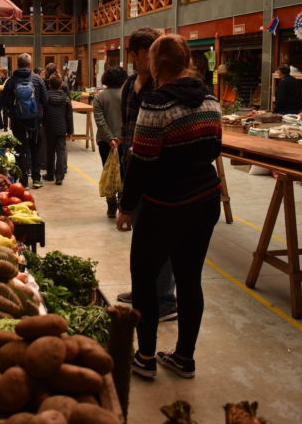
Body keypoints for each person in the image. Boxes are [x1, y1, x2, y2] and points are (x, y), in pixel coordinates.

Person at [116, 34, 222, 381]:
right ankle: (184, 358)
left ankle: (145, 357)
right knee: (190, 279)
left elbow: (142, 162)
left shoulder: (157, 103)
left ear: (154, 63)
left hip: (165, 204)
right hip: (205, 200)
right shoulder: (210, 99)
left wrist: (126, 207)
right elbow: (213, 149)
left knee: (144, 279)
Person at [116, 29, 177, 314]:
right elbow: (127, 127)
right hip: (133, 169)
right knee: (141, 237)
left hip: (159, 176)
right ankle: (144, 291)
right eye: (147, 53)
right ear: (135, 55)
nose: (153, 58)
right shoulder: (130, 85)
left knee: (160, 239)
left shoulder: (164, 87)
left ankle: (164, 298)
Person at [3, 53, 47, 188]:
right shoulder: (38, 79)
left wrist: (12, 115)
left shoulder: (11, 80)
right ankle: (36, 179)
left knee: (21, 150)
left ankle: (23, 182)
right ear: (30, 65)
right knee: (36, 148)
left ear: (18, 65)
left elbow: (5, 101)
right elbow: (45, 100)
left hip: (18, 120)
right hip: (35, 120)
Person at [93, 67, 127, 217]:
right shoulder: (127, 96)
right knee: (123, 172)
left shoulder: (99, 97)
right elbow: (128, 118)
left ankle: (111, 205)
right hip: (124, 141)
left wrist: (109, 139)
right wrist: (119, 137)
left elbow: (99, 121)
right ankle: (122, 203)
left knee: (108, 172)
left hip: (104, 142)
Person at [43, 75, 73, 185]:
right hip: (62, 128)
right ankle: (59, 177)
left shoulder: (46, 97)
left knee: (50, 151)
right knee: (60, 151)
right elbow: (69, 116)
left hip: (49, 128)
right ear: (61, 85)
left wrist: (43, 124)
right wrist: (70, 131)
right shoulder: (66, 98)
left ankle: (50, 175)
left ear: (49, 85)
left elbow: (43, 113)